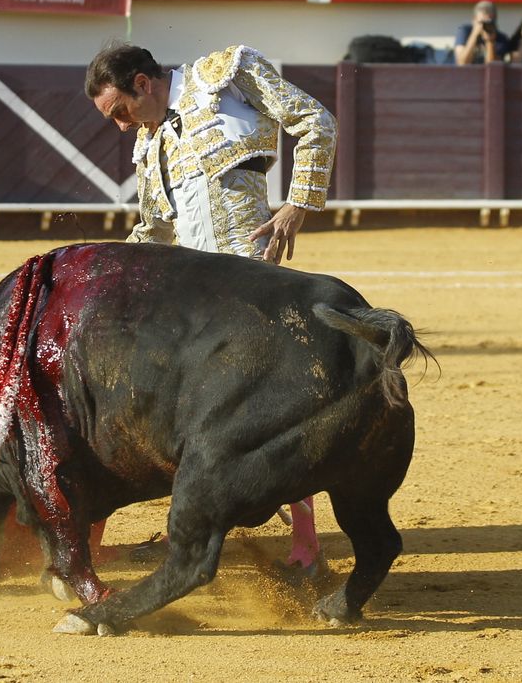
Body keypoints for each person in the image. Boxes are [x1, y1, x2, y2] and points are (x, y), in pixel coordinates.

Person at [84, 41, 335, 573]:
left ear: (142, 83)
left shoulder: (226, 74)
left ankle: (307, 543)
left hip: (251, 280)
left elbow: (316, 122)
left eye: (120, 111)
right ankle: (87, 530)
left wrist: (297, 205)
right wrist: (103, 284)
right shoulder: (149, 146)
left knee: (273, 401)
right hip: (192, 297)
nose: (121, 126)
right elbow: (151, 229)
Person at [454, 0, 508, 64]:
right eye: (481, 22)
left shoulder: (501, 39)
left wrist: (490, 42)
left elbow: (492, 68)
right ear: (474, 20)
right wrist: (474, 35)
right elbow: (462, 63)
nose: (484, 26)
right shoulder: (464, 31)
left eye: (488, 23)